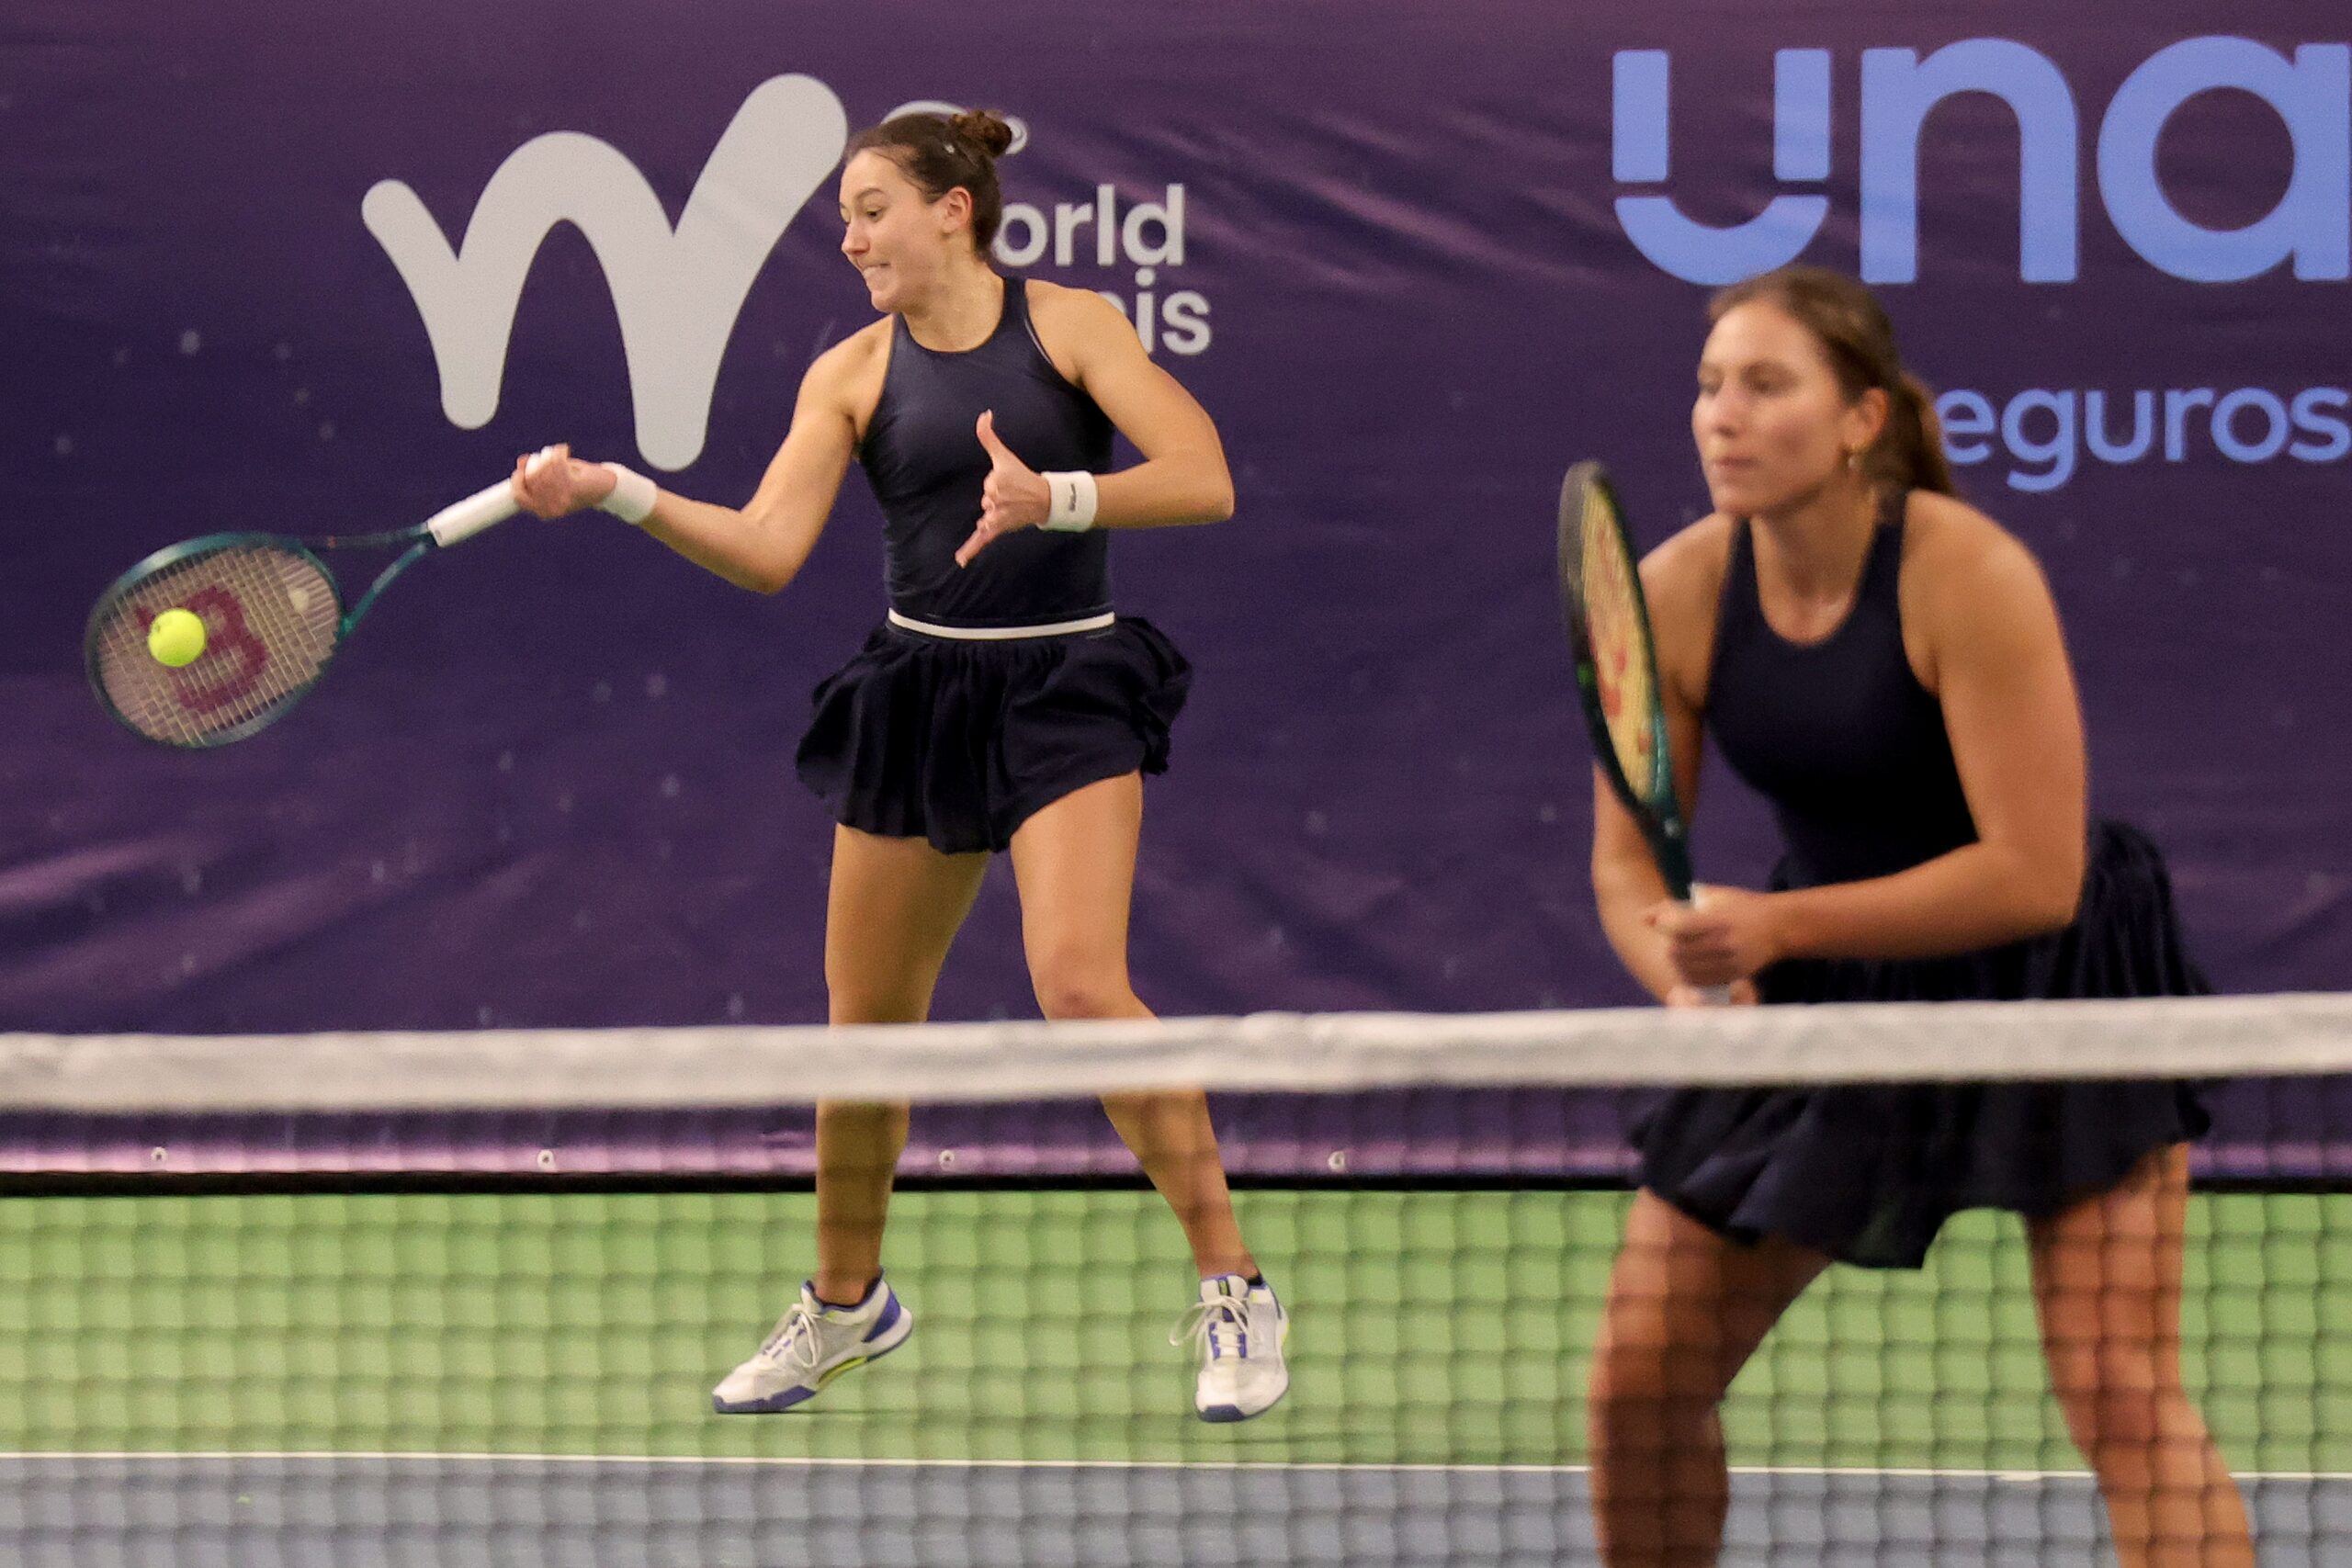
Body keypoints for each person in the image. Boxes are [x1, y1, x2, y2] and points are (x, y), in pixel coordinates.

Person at [510, 109, 1287, 1425]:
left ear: (952, 209)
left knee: (1083, 984)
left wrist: (1061, 499)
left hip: (1066, 686)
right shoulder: (850, 373)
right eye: (845, 216)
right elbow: (766, 548)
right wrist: (619, 492)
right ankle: (847, 1302)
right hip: (919, 692)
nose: (851, 235)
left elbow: (1206, 476)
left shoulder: (1075, 324)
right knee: (865, 1031)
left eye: (871, 208)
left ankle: (1235, 1289)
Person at [1581, 265, 2253, 1566]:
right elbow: (1628, 873)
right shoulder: (1669, 591)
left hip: (2056, 983)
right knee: (1637, 1390)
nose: (1723, 414)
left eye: (1767, 385)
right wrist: (1681, 980)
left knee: (2119, 1389)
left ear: (1859, 420)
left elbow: (2035, 874)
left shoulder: (1965, 572)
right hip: (1826, 986)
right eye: (1711, 384)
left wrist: (1778, 934)